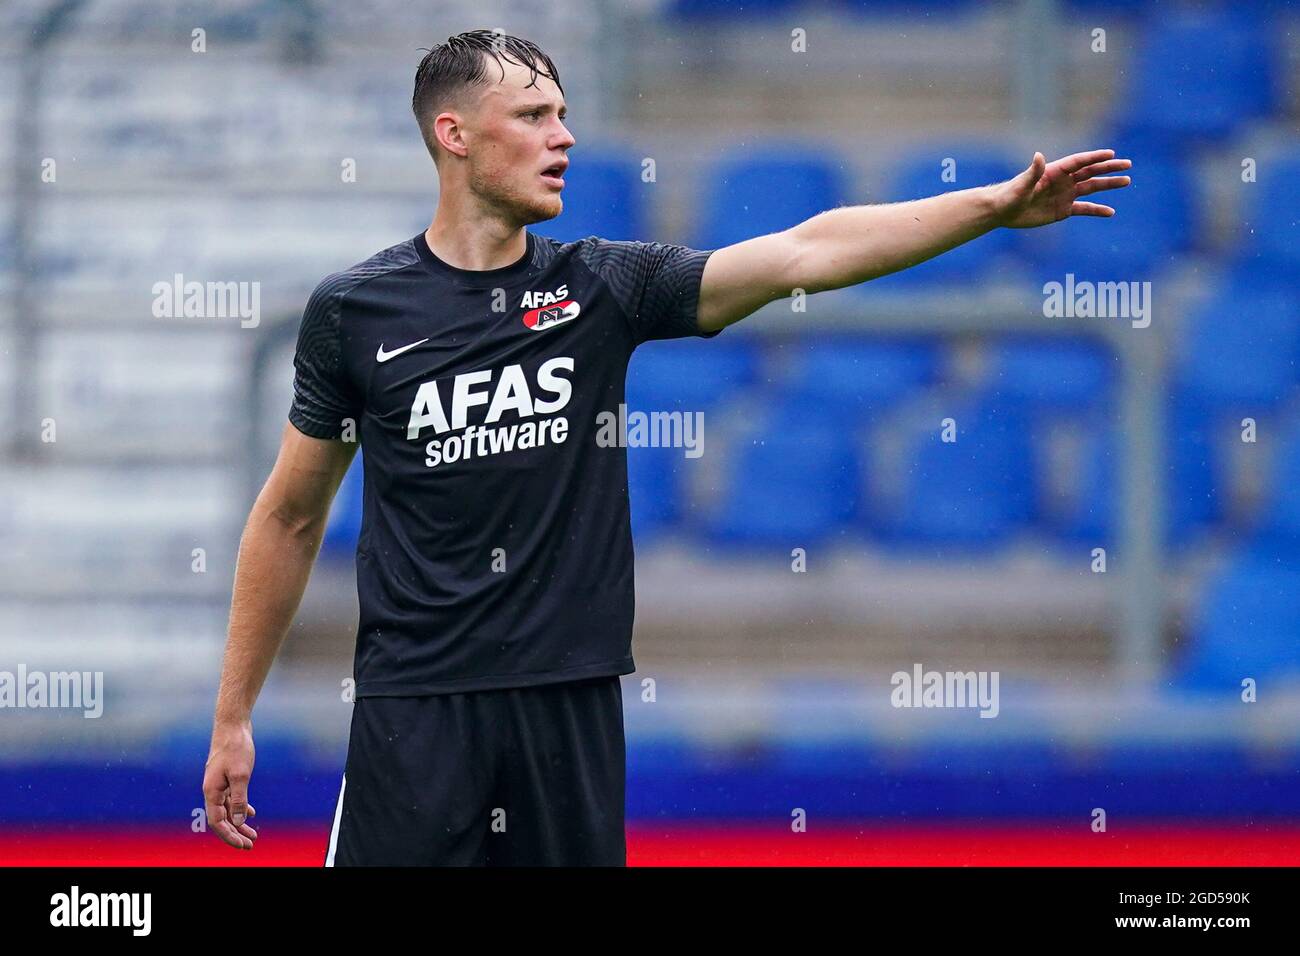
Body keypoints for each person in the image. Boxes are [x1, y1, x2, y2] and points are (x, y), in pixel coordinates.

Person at [202, 28, 1132, 866]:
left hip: (568, 704)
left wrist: (990, 207)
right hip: (415, 711)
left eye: (564, 113)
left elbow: (807, 250)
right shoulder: (353, 311)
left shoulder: (602, 285)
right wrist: (235, 714)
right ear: (455, 135)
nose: (564, 136)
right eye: (533, 116)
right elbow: (289, 514)